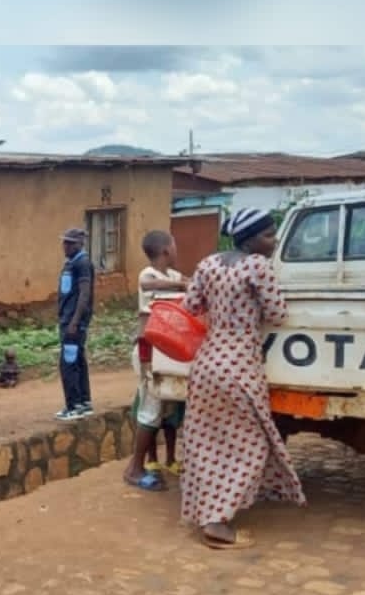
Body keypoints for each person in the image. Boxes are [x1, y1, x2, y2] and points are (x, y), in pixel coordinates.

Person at [180, 208, 306, 550]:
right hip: (238, 365)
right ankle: (217, 523)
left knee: (206, 442)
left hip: (206, 362)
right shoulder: (258, 266)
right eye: (268, 235)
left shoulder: (207, 264)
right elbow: (278, 315)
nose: (274, 240)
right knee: (251, 444)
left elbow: (190, 306)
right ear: (250, 239)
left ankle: (209, 512)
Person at [124, 230, 190, 492]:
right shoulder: (148, 275)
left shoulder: (171, 275)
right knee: (150, 408)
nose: (176, 251)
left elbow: (187, 282)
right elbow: (151, 286)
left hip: (163, 353)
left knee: (162, 408)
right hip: (148, 352)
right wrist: (183, 285)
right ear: (165, 251)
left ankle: (153, 462)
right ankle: (135, 468)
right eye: (174, 246)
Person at [55, 228, 95, 422]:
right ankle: (83, 403)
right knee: (77, 360)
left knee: (68, 363)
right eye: (65, 242)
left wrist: (75, 321)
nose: (66, 246)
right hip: (68, 320)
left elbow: (84, 294)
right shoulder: (71, 263)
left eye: (70, 243)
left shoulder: (82, 263)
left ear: (79, 245)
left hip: (73, 322)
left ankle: (73, 406)